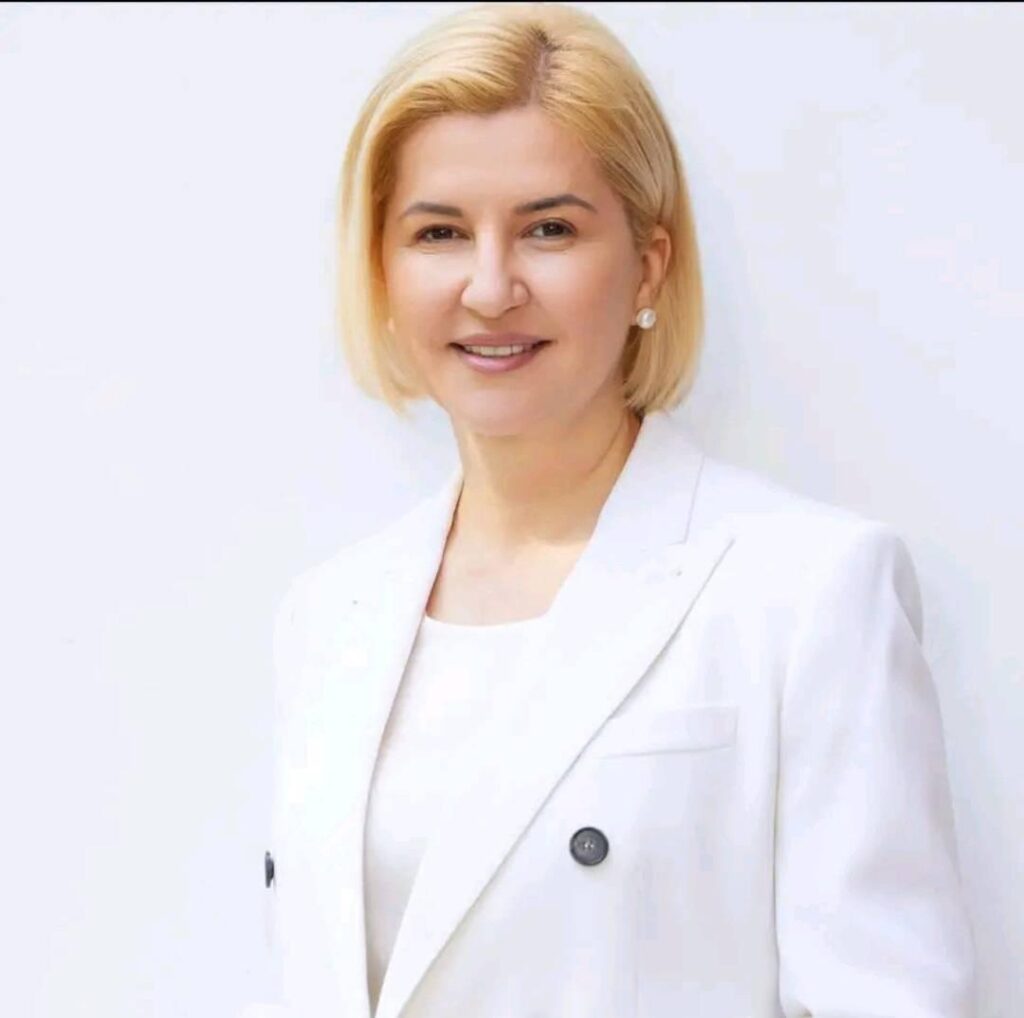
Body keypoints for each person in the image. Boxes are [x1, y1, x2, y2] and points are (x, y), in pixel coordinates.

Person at [241, 3, 977, 1016]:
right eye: (439, 232)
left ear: (647, 265)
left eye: (548, 228)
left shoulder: (807, 594)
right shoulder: (328, 617)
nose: (490, 287)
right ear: (382, 269)